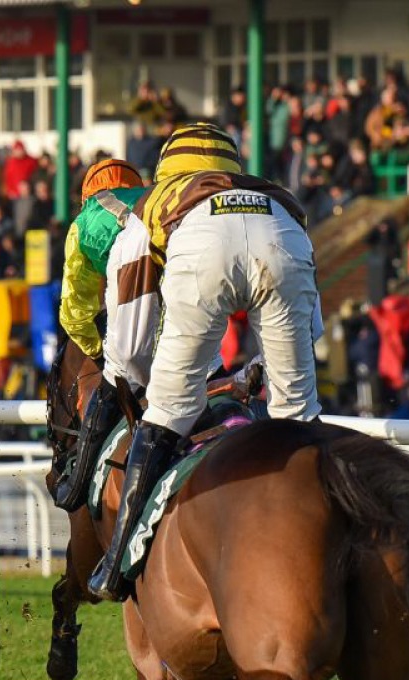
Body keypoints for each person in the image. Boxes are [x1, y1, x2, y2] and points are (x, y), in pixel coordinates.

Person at [89, 123, 324, 601]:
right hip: (281, 236)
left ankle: (115, 565)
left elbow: (131, 348)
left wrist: (148, 389)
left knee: (169, 413)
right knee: (296, 414)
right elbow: (312, 327)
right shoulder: (277, 193)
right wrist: (259, 369)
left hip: (201, 248)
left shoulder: (152, 204)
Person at [51, 158, 145, 511]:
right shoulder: (158, 199)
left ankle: (79, 483)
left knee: (108, 394)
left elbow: (74, 313)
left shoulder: (85, 222)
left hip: (130, 328)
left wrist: (98, 351)